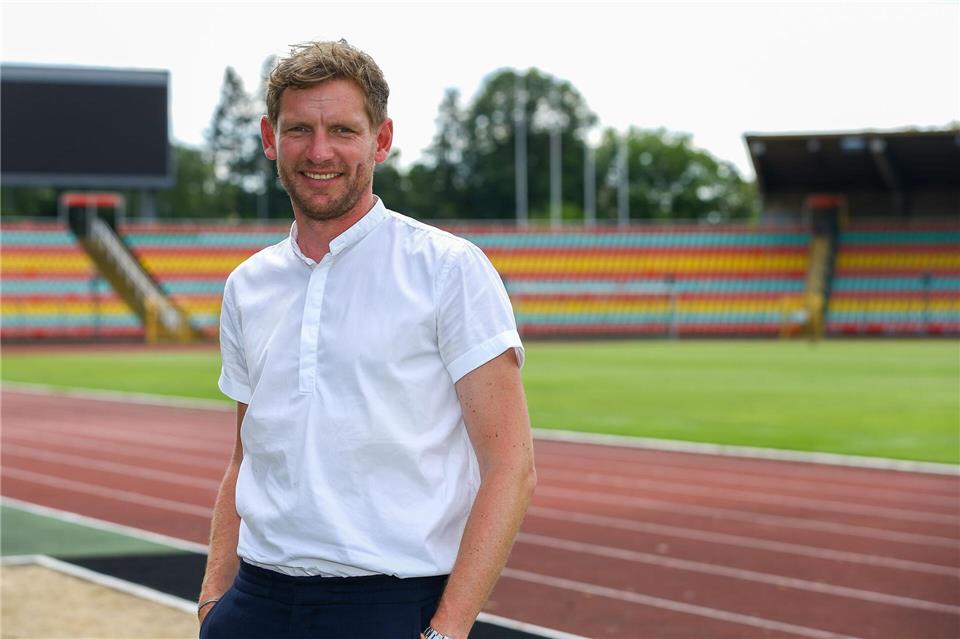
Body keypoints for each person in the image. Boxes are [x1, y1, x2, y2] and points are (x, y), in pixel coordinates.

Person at [197, 39, 536, 639]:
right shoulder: (248, 285)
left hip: (388, 606)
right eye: (299, 129)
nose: (319, 151)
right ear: (269, 138)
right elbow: (245, 455)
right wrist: (212, 604)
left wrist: (448, 631)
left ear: (380, 140)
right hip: (254, 603)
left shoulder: (448, 269)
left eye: (343, 130)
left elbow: (511, 467)